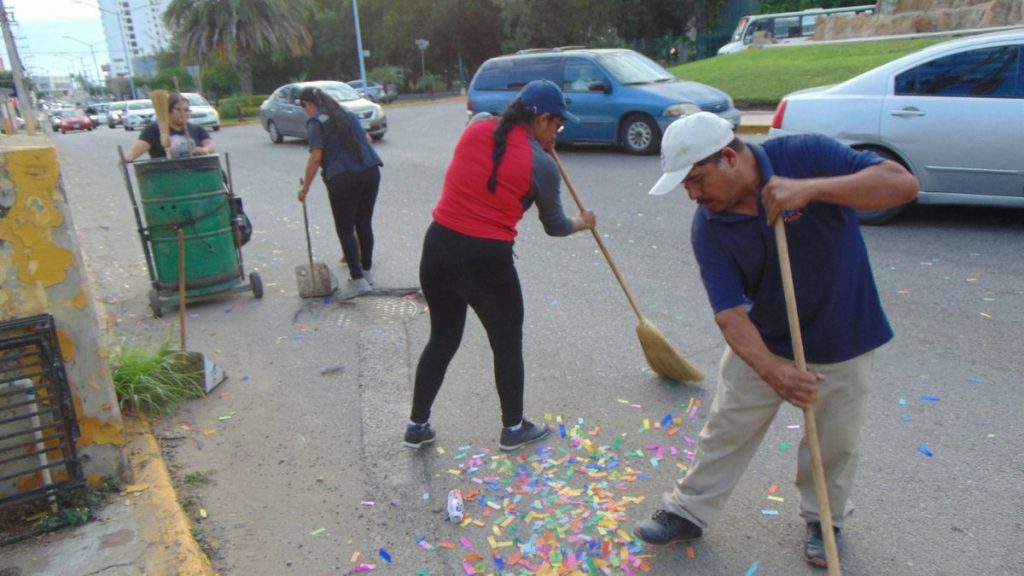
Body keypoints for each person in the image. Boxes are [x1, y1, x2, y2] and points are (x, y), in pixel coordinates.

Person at [634, 112, 918, 569]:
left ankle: (824, 520)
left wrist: (811, 189)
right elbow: (728, 313)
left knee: (834, 443)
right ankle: (688, 510)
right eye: (685, 185)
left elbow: (901, 185)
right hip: (764, 340)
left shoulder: (806, 155)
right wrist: (773, 369)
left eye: (696, 180)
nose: (693, 194)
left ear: (728, 157)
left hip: (844, 331)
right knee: (726, 428)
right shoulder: (709, 226)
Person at [403, 80, 597, 452]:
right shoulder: (541, 165)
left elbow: (494, 144)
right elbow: (555, 227)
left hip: (439, 247)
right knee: (506, 343)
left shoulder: (477, 126)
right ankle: (513, 428)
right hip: (486, 261)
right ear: (542, 118)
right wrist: (582, 223)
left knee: (442, 338)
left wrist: (536, 145)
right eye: (557, 125)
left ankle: (417, 425)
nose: (558, 131)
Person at [296, 86, 383, 300]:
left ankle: (357, 280)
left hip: (343, 177)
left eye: (304, 108)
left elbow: (316, 158)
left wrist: (304, 188)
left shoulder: (316, 122)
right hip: (370, 171)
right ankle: (366, 272)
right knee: (363, 223)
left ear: (309, 104)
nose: (306, 112)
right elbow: (368, 140)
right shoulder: (347, 115)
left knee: (345, 228)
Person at [124, 93, 215, 161]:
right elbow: (141, 146)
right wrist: (129, 157)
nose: (184, 114)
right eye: (179, 110)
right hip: (165, 176)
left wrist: (204, 150)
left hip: (195, 173)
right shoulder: (153, 129)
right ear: (168, 110)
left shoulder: (197, 129)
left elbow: (209, 145)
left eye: (187, 110)